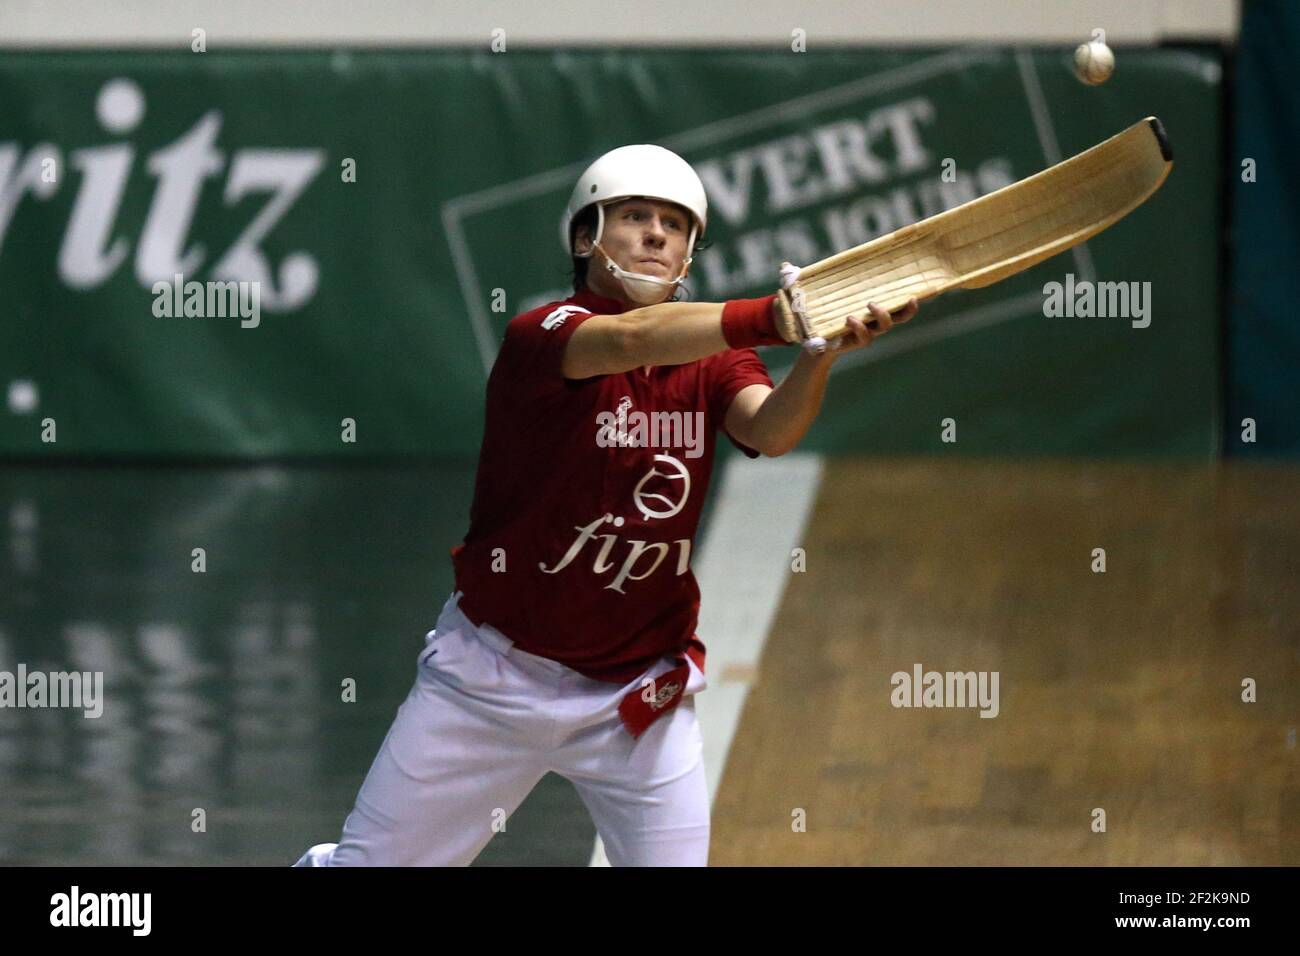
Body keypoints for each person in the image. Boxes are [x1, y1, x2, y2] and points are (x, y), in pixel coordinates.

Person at [295, 143, 918, 867]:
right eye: (635, 216)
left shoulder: (713, 357)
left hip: (638, 695)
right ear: (587, 237)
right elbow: (626, 338)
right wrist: (771, 318)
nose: (657, 233)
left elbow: (769, 430)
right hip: (493, 679)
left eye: (676, 225)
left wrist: (817, 353)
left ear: (689, 253)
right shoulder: (544, 335)